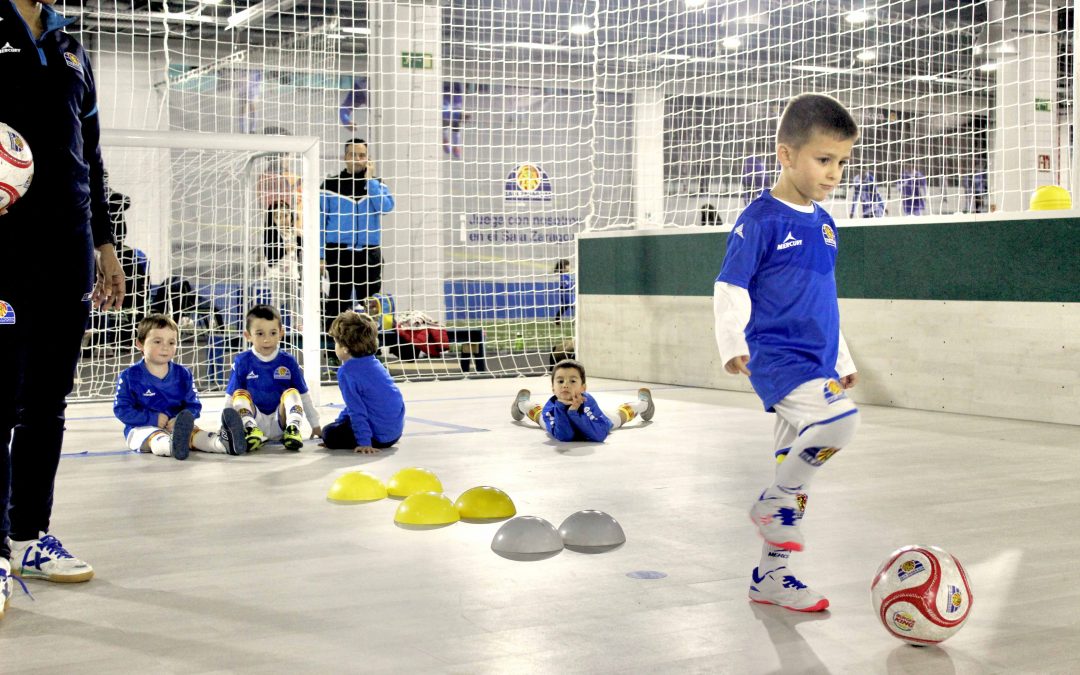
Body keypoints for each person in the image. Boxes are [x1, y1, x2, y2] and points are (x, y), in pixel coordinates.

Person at [713, 93, 861, 613]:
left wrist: (841, 360)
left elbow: (826, 297)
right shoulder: (760, 219)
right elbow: (731, 285)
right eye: (824, 160)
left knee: (791, 469)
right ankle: (773, 505)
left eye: (842, 162)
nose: (834, 172)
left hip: (817, 359)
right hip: (779, 356)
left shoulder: (824, 223)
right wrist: (732, 344)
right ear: (786, 154)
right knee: (840, 424)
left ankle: (771, 576)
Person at [1, 0, 126, 612]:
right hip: (3, 247)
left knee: (46, 403)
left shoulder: (71, 45)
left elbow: (92, 154)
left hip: (67, 246)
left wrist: (106, 243)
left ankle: (27, 535)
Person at [113, 314, 247, 460]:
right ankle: (172, 446)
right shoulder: (129, 376)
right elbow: (122, 409)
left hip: (176, 426)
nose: (165, 347)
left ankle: (224, 444)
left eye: (171, 343)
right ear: (140, 344)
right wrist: (152, 419)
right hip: (142, 428)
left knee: (196, 434)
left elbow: (194, 405)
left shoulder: (183, 374)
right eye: (157, 341)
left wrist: (181, 419)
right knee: (154, 438)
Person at [320, 138, 395, 331]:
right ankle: (333, 350)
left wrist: (370, 181)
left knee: (370, 302)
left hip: (369, 252)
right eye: (353, 154)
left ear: (367, 159)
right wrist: (320, 256)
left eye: (362, 155)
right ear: (345, 157)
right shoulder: (330, 184)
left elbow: (386, 207)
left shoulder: (376, 184)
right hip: (338, 252)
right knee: (338, 300)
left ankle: (369, 348)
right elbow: (320, 222)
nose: (357, 159)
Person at [225, 305, 323, 452]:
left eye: (272, 333)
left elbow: (304, 395)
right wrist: (225, 426)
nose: (267, 340)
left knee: (293, 393)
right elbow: (229, 396)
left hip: (280, 421)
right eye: (260, 334)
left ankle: (292, 430)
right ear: (248, 335)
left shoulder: (288, 361)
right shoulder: (242, 361)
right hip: (254, 420)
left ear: (281, 333)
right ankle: (251, 431)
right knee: (238, 395)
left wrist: (315, 425)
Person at [510, 359, 655, 442]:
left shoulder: (588, 402)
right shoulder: (551, 408)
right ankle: (522, 403)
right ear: (553, 388)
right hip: (557, 417)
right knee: (539, 416)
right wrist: (562, 409)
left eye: (572, 381)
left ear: (583, 387)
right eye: (560, 381)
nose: (565, 384)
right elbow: (564, 436)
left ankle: (643, 404)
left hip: (592, 419)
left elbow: (598, 435)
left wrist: (574, 413)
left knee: (618, 417)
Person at [321, 311, 405, 454]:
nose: (334, 346)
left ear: (345, 348)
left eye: (336, 342)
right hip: (394, 434)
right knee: (337, 426)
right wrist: (340, 422)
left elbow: (356, 410)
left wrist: (364, 442)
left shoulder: (347, 372)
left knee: (328, 433)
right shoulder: (375, 363)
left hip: (377, 437)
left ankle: (360, 436)